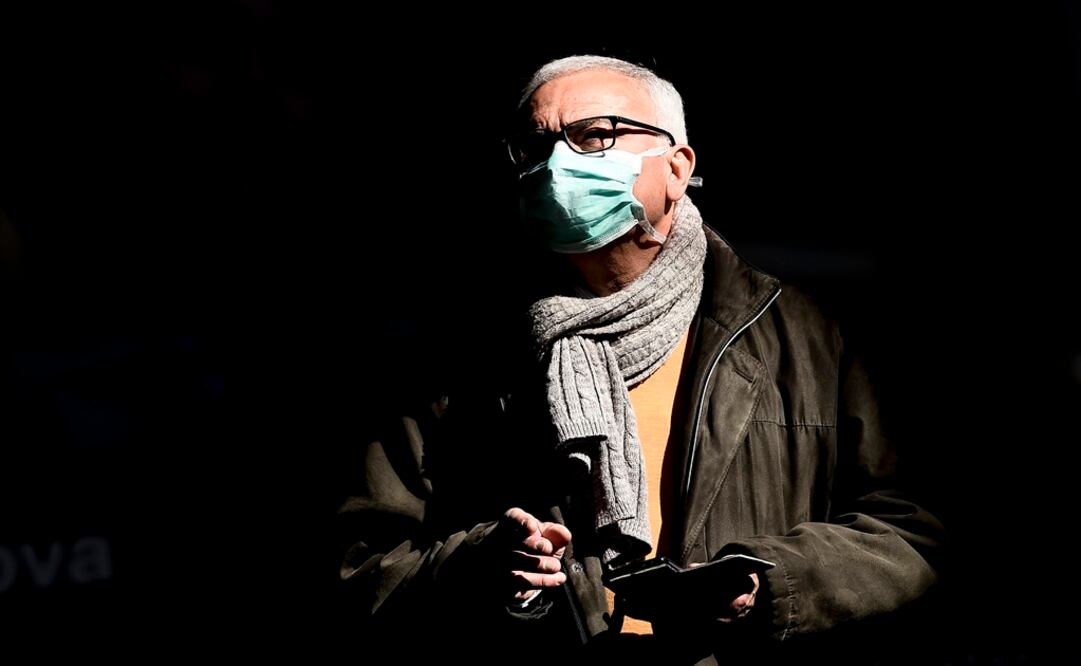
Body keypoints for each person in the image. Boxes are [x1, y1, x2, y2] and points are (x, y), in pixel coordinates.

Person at [338, 55, 943, 663]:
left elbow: (914, 530)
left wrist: (769, 581)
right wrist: (483, 568)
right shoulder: (462, 354)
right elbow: (364, 565)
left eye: (595, 135)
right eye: (536, 145)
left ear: (678, 168)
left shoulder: (812, 337)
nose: (559, 164)